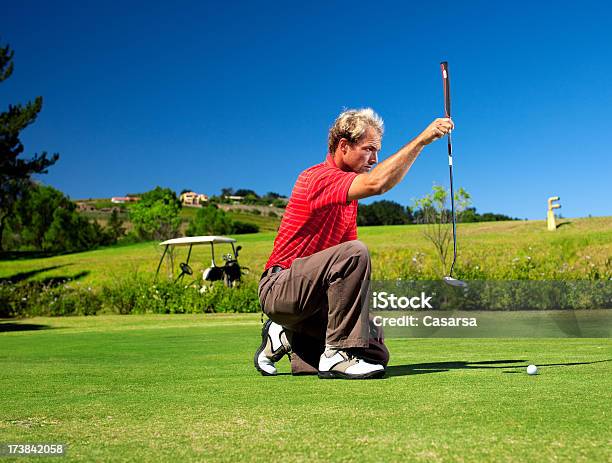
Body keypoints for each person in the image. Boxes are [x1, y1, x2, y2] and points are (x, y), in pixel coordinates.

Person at [254, 108, 453, 379]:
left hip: (312, 301)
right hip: (280, 289)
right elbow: (376, 184)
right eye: (369, 149)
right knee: (354, 253)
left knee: (375, 351)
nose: (374, 158)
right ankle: (334, 354)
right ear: (344, 146)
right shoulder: (316, 178)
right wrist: (422, 140)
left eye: (377, 151)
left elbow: (346, 276)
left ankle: (286, 335)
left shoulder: (348, 201)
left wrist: (363, 319)